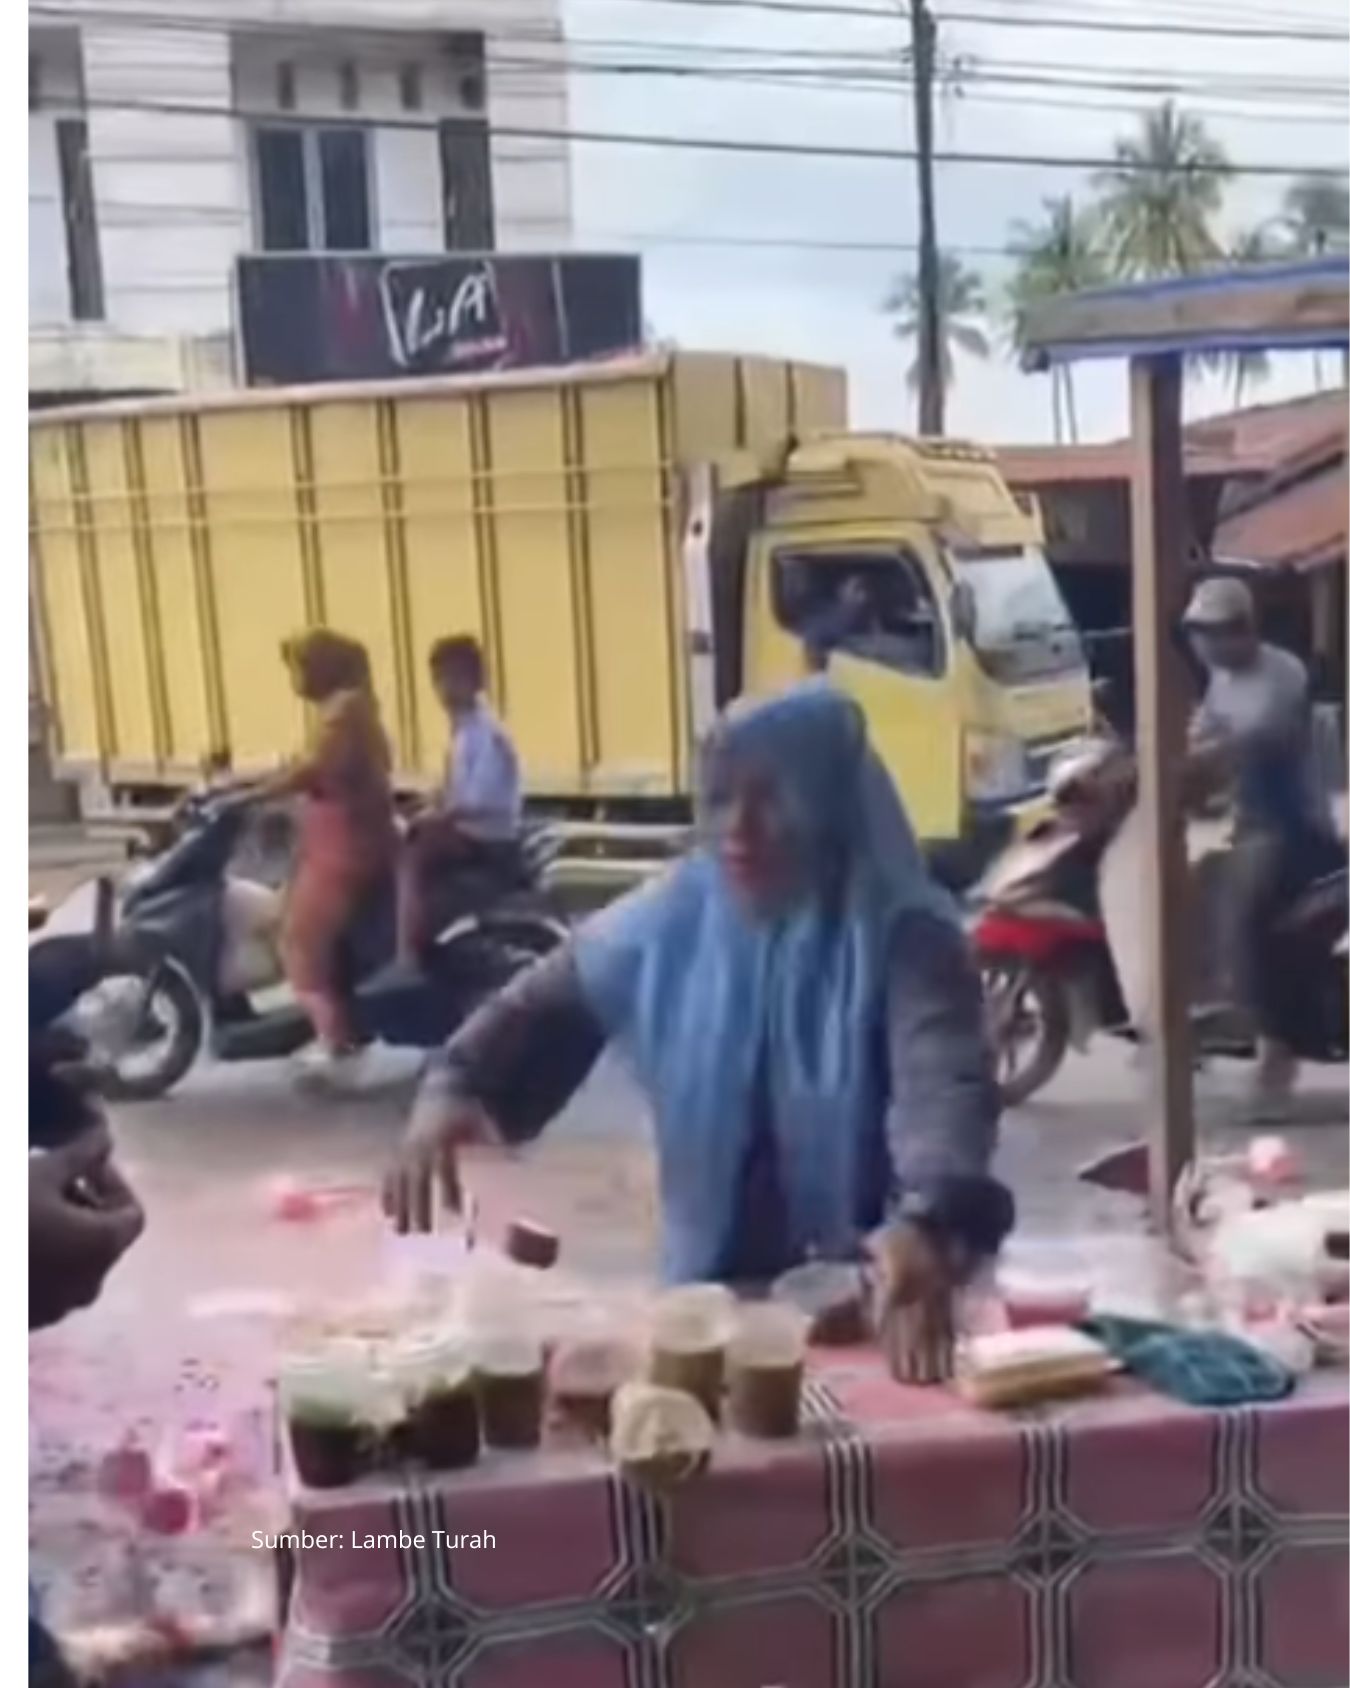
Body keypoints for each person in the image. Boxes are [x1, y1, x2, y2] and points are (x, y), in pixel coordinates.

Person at [384, 681, 1011, 1382]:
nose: (738, 827)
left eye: (774, 797)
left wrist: (928, 1223)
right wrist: (454, 1085)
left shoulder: (906, 936)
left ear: (830, 802)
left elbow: (943, 1086)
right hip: (706, 1318)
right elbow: (537, 1005)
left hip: (882, 1308)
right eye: (721, 798)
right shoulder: (673, 917)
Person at [1184, 577, 1342, 1107]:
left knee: (1246, 922)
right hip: (1242, 821)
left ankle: (1277, 1053)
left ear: (1244, 629)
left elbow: (1255, 736)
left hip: (1294, 830)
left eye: (1216, 631)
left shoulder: (1281, 674)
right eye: (1199, 632)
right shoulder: (1221, 677)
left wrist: (1205, 754)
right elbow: (1202, 731)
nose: (1207, 643)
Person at [259, 630, 397, 1075]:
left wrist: (249, 795)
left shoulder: (344, 714)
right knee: (288, 917)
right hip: (339, 842)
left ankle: (335, 1039)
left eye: (300, 667)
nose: (294, 679)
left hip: (346, 848)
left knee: (300, 941)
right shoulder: (349, 709)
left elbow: (315, 769)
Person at [395, 635, 522, 967]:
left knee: (413, 850)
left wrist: (435, 818)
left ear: (476, 681)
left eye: (455, 679)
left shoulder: (486, 733)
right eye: (439, 680)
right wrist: (421, 804)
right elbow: (451, 790)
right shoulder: (463, 731)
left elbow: (480, 800)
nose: (446, 689)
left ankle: (407, 951)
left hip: (487, 841)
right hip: (470, 834)